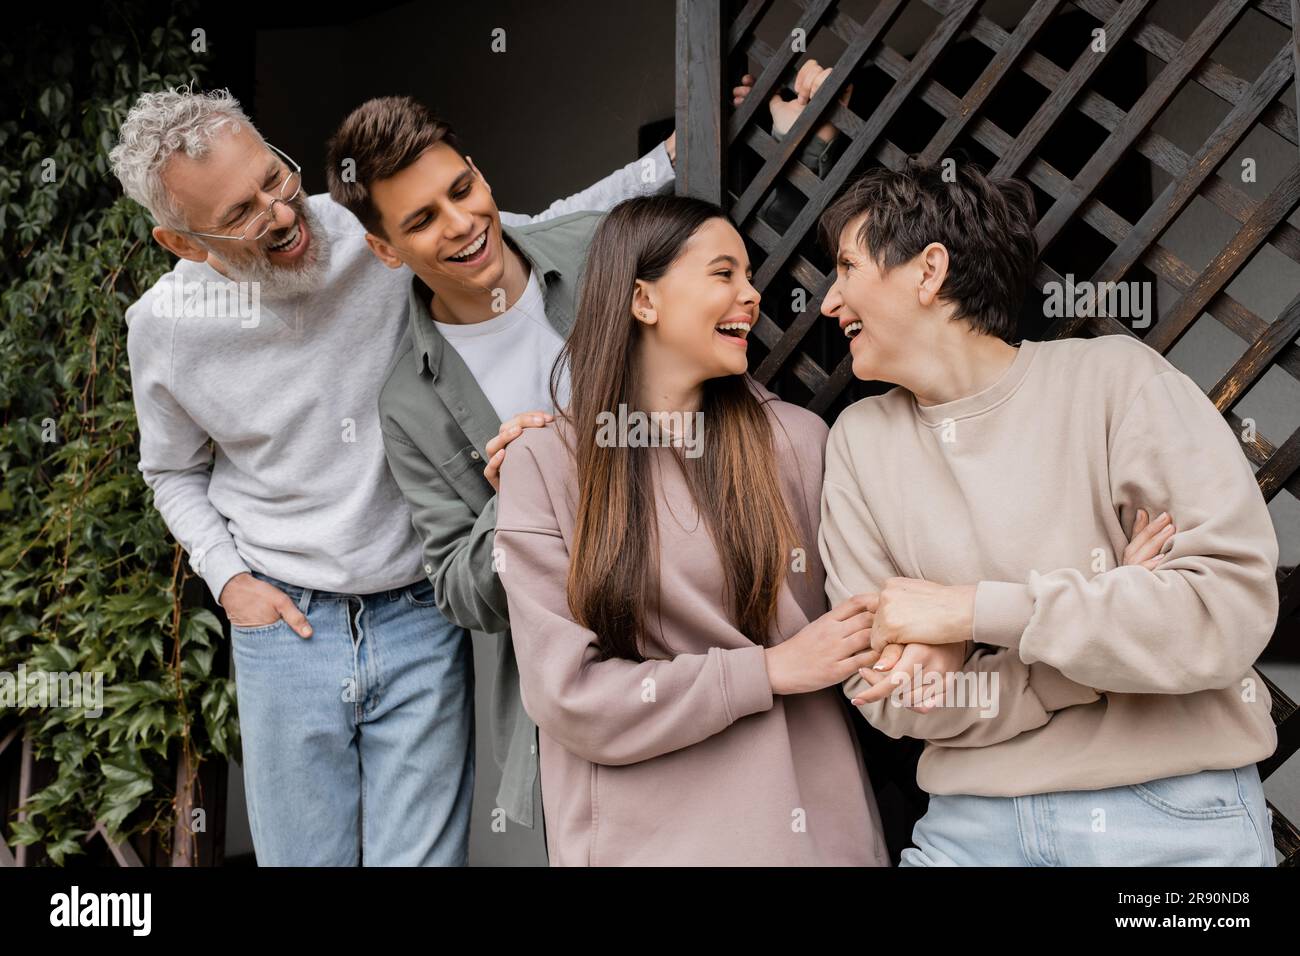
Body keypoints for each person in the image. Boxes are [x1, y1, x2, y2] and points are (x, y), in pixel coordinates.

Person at [112, 85, 676, 865]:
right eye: (238, 215)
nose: (279, 215)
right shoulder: (165, 331)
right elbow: (170, 469)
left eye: (273, 178)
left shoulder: (368, 229)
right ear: (181, 243)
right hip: (286, 626)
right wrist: (231, 582)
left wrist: (670, 161)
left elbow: (535, 232)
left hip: (417, 611)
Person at [816, 161, 1279, 866]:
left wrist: (968, 614)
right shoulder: (859, 441)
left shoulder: (1117, 382)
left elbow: (1221, 613)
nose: (828, 301)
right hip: (968, 832)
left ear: (927, 271)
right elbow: (887, 693)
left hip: (1169, 817)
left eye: (846, 267)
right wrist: (1086, 656)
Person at [492, 195, 893, 865]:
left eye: (749, 275)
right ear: (642, 300)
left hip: (805, 834)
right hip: (637, 841)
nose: (752, 295)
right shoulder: (545, 463)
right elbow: (568, 695)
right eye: (723, 273)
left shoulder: (800, 443)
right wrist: (764, 671)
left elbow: (875, 613)